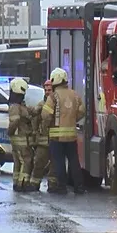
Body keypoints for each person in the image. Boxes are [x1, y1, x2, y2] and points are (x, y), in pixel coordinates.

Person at [40, 67, 85, 195]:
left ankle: (62, 187)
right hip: (72, 136)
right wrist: (72, 119)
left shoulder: (53, 97)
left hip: (56, 137)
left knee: (59, 162)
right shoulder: (75, 95)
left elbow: (45, 115)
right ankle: (79, 187)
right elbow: (82, 111)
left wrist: (47, 125)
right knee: (74, 161)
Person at [7, 78, 35, 192]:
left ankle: (17, 183)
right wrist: (10, 132)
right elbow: (15, 121)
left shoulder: (18, 105)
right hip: (21, 139)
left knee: (18, 162)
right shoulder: (15, 106)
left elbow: (31, 111)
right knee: (26, 160)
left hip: (18, 138)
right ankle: (23, 183)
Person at [29, 79, 57, 192]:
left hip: (55, 139)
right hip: (43, 141)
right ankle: (34, 183)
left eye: (49, 90)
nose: (47, 92)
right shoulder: (41, 105)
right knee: (39, 162)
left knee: (55, 164)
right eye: (45, 90)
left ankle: (53, 185)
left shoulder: (57, 105)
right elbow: (34, 119)